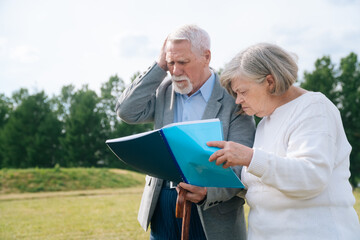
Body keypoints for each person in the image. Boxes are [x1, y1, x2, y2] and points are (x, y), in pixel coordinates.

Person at [116, 24, 256, 240]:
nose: (175, 71)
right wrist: (158, 66)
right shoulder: (164, 89)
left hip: (213, 215)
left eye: (183, 62)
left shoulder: (233, 98)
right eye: (171, 62)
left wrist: (209, 193)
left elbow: (242, 164)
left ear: (206, 57)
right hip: (162, 209)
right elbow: (126, 111)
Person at [208, 42, 360, 240]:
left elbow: (310, 177)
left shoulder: (314, 108)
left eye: (242, 92)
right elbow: (265, 185)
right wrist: (206, 187)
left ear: (270, 82)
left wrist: (249, 157)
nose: (238, 100)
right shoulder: (265, 122)